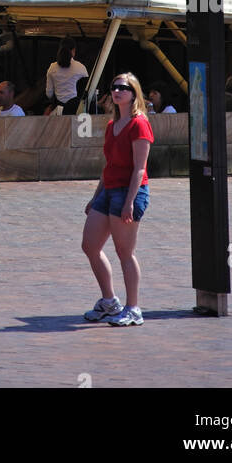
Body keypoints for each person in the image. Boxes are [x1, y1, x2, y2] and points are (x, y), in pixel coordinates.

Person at [81, 71, 154, 327]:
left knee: (124, 252)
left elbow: (139, 168)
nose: (117, 90)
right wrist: (95, 196)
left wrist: (130, 202)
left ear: (134, 93)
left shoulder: (139, 123)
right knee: (90, 245)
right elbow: (109, 164)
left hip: (129, 191)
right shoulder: (113, 125)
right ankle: (109, 301)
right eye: (114, 87)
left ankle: (134, 308)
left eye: (123, 87)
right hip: (109, 189)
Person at [45, 38, 88, 116]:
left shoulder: (52, 68)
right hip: (76, 111)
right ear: (73, 50)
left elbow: (49, 94)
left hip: (58, 112)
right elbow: (86, 92)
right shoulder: (81, 67)